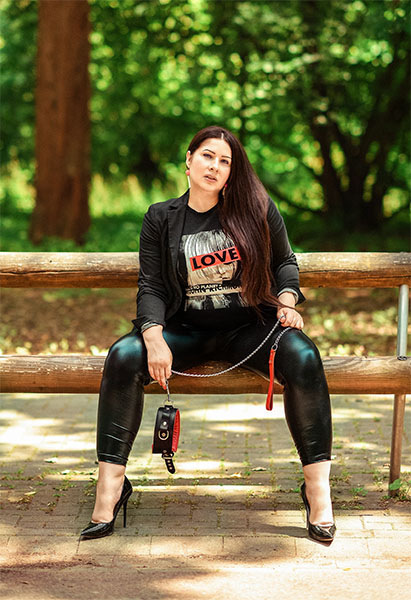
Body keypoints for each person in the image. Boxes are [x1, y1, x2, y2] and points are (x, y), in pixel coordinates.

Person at [80, 125, 336, 544]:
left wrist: (287, 302)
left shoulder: (256, 209)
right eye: (207, 156)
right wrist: (153, 338)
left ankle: (317, 493)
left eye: (225, 161)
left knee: (305, 356)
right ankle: (110, 489)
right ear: (189, 160)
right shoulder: (161, 217)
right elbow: (152, 286)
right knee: (123, 356)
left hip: (249, 329)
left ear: (232, 171)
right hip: (185, 332)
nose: (214, 166)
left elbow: (285, 263)